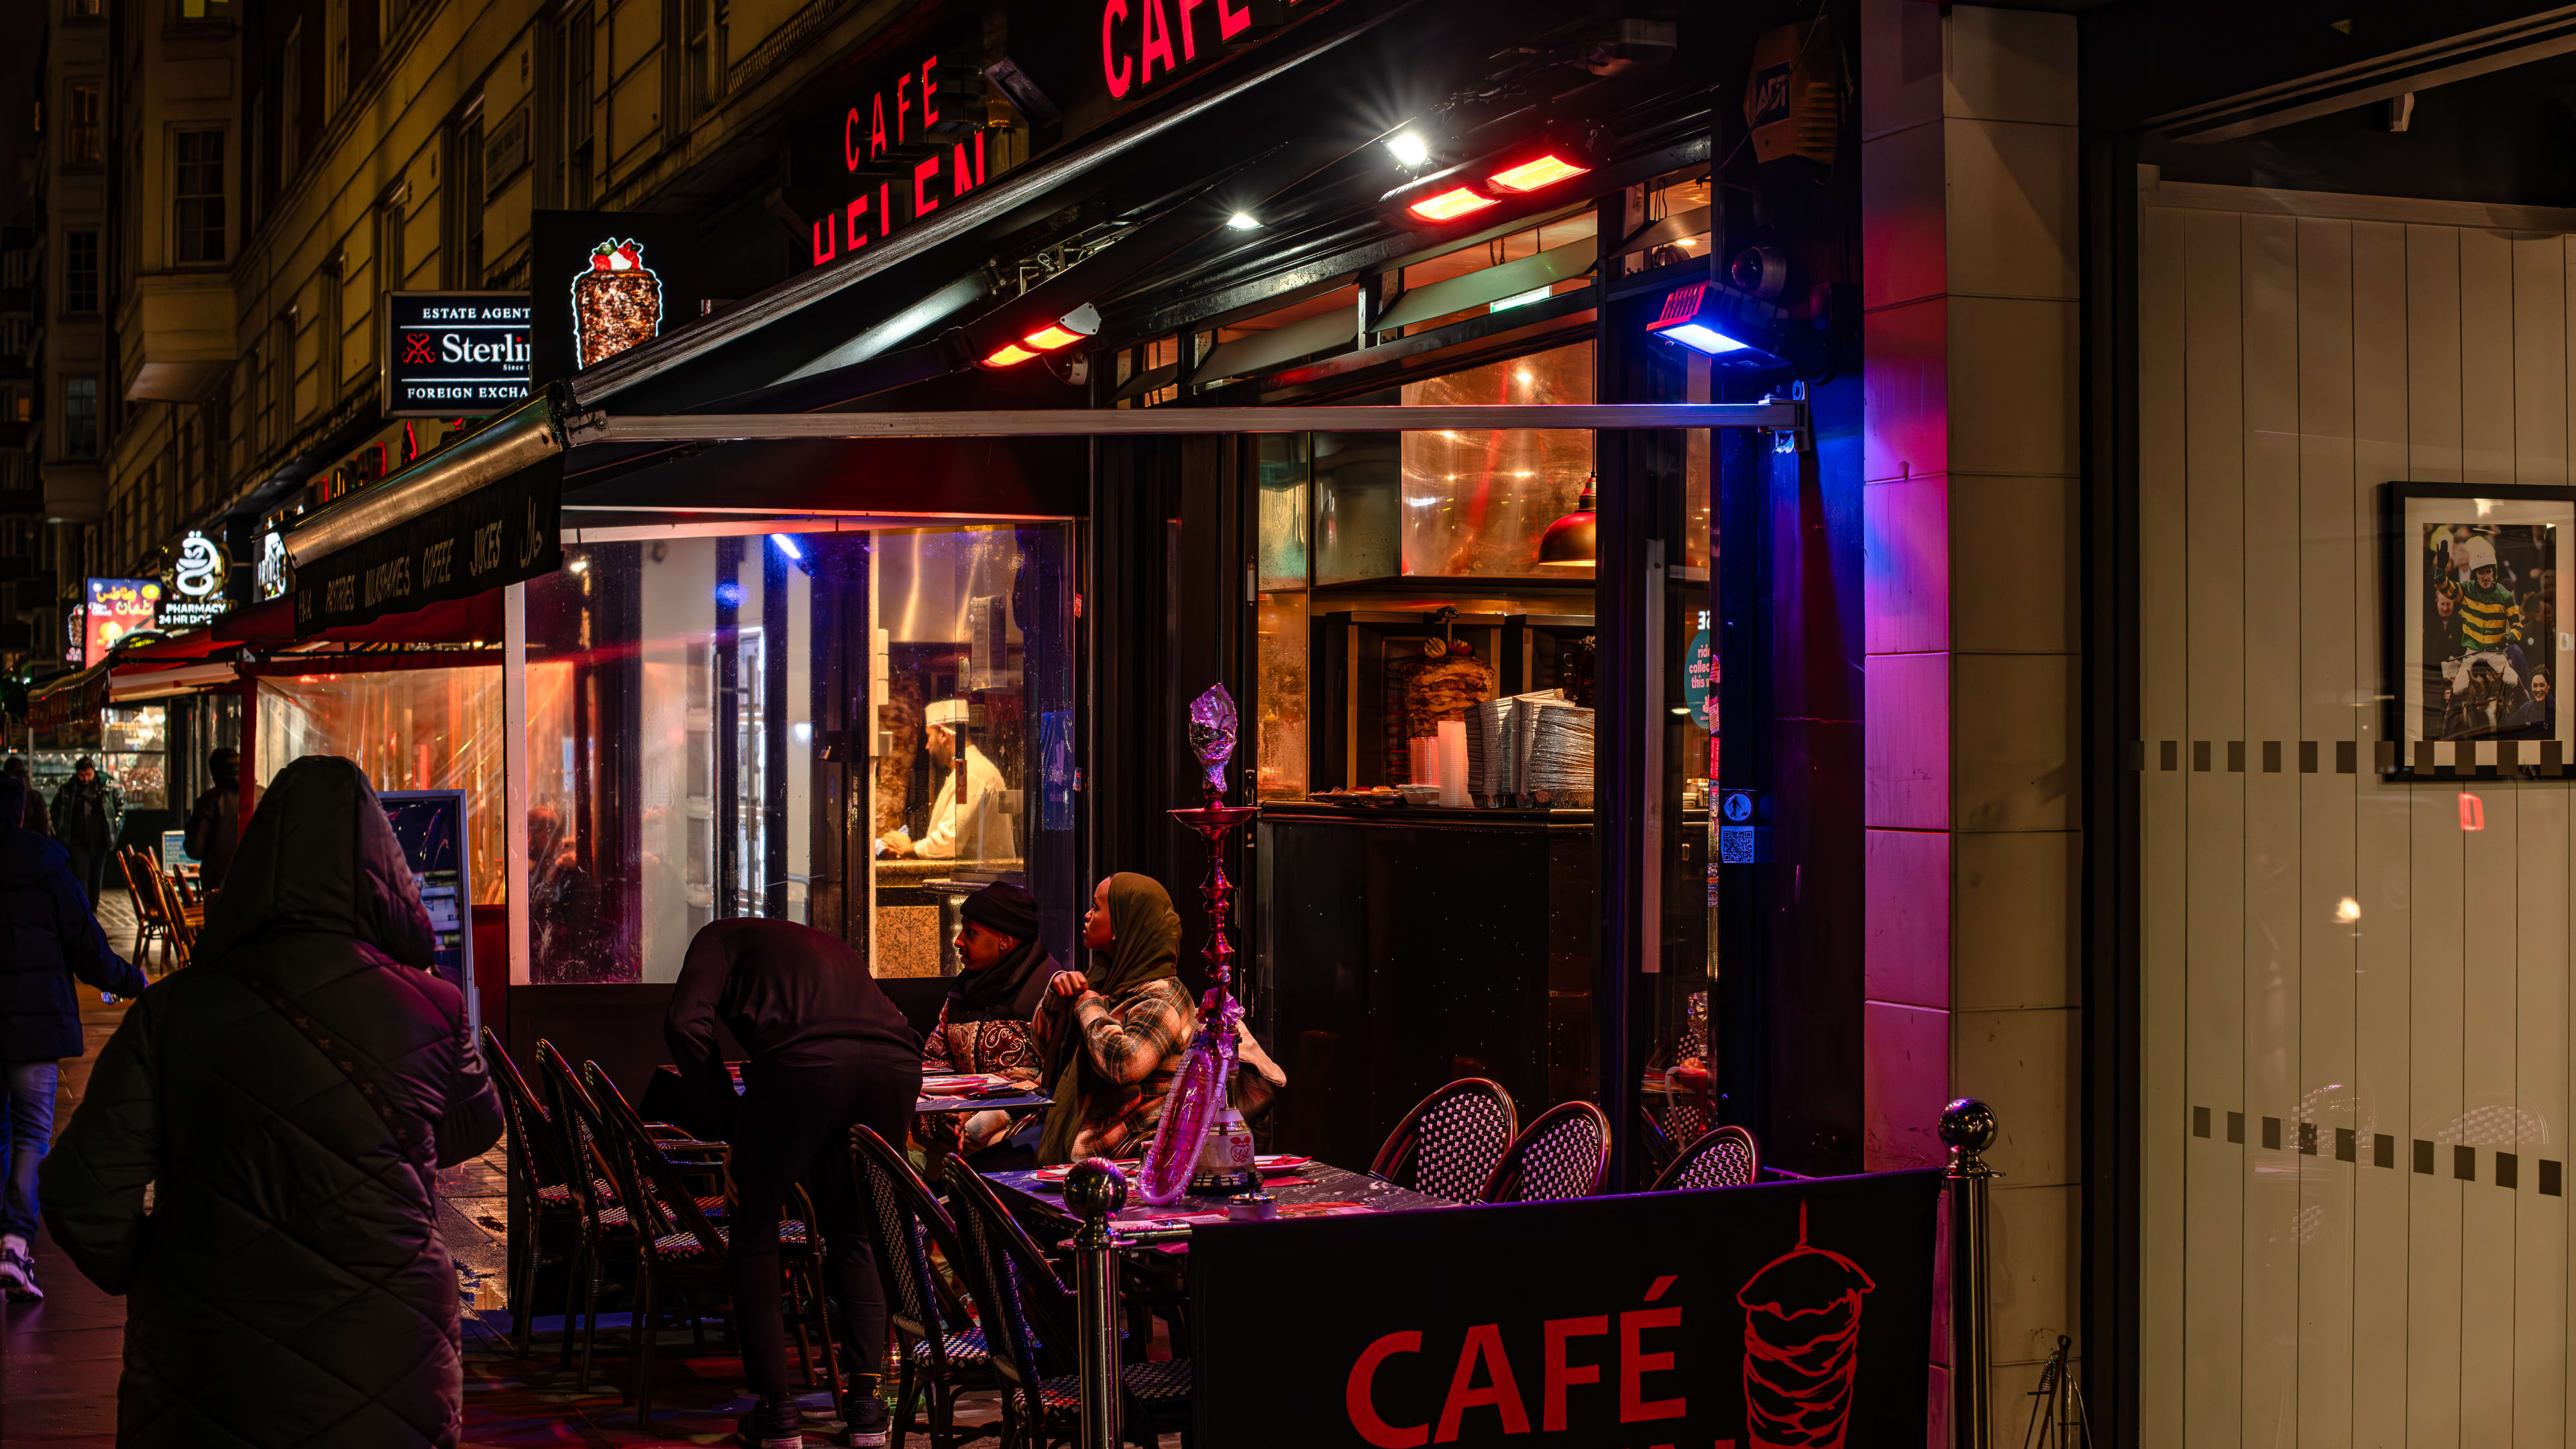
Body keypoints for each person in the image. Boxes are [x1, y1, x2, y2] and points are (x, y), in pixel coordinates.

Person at [38, 755, 504, 1448]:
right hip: (386, 1357)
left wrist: (162, 1275)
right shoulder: (431, 1007)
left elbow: (81, 1191)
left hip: (208, 1366)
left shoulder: (173, 1014)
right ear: (384, 868)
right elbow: (475, 1123)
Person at [665, 918, 918, 1449]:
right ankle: (867, 1407)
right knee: (855, 1231)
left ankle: (777, 1414)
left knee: (755, 1230)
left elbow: (685, 1024)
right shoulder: (819, 943)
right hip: (895, 1064)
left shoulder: (713, 937)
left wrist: (729, 1121)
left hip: (804, 1063)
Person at [0, 775, 146, 1303]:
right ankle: (15, 1244)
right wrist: (134, 982)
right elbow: (89, 950)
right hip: (35, 1029)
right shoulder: (48, 867)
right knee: (31, 1135)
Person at [1030, 873, 1286, 1165]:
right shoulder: (1106, 980)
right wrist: (1057, 995)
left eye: (1097, 907)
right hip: (1080, 1133)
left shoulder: (1162, 998)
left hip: (1122, 1152)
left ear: (1125, 924)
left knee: (997, 1173)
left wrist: (1088, 1007)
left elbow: (1125, 1064)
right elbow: (1042, 1048)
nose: (1087, 915)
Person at [918, 881, 1053, 1165]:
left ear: (1005, 941)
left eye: (971, 933)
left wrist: (986, 1121)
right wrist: (944, 1119)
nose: (958, 941)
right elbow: (933, 1067)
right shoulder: (962, 992)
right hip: (955, 1143)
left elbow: (1059, 1085)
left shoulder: (1050, 992)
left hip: (1021, 1145)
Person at [879, 699, 1007, 861]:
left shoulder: (970, 773)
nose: (927, 746)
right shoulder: (965, 770)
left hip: (983, 884)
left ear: (944, 735)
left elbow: (949, 841)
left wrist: (907, 848)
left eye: (929, 736)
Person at [50, 755, 122, 906]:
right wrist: (62, 832)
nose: (85, 779)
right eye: (82, 775)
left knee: (96, 877)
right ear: (77, 773)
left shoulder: (106, 787)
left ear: (94, 772)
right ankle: (85, 908)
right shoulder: (68, 789)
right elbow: (55, 811)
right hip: (77, 841)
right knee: (81, 877)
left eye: (88, 775)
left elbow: (120, 809)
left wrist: (115, 829)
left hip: (100, 840)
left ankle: (93, 908)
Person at [181, 747, 242, 893]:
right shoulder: (263, 796)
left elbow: (194, 850)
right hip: (258, 884)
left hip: (217, 887)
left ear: (214, 774)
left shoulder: (209, 801)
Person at [1, 757, 53, 841]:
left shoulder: (6, 790)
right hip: (28, 842)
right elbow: (43, 824)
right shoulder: (33, 796)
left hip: (8, 842)